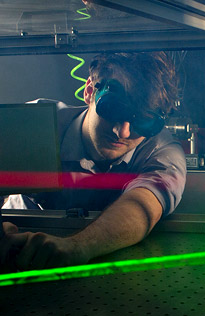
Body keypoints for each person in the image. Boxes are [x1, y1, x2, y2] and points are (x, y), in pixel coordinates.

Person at [0, 51, 186, 270]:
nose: (123, 132)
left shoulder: (161, 151)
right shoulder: (36, 124)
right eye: (113, 109)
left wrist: (77, 248)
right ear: (89, 91)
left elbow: (143, 205)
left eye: (142, 122)